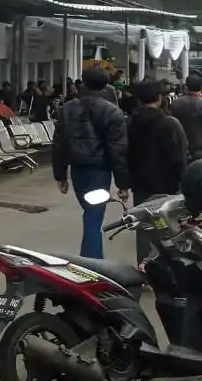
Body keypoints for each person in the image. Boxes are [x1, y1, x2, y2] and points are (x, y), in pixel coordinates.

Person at [51, 66, 131, 259]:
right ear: (106, 85)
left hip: (77, 169)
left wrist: (60, 175)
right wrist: (123, 183)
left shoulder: (67, 109)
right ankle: (91, 260)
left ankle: (91, 257)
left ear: (83, 83)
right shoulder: (113, 112)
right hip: (100, 171)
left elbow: (59, 144)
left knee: (90, 213)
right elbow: (117, 150)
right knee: (93, 215)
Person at [125, 80, 187, 264]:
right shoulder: (170, 124)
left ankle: (144, 266)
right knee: (166, 226)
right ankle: (163, 269)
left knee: (143, 225)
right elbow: (180, 156)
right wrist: (184, 184)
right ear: (160, 99)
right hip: (166, 184)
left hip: (140, 183)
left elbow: (123, 152)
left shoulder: (129, 123)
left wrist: (125, 180)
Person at [170, 75, 202, 161]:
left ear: (186, 87)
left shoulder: (176, 103)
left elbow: (171, 125)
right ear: (201, 88)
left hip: (181, 145)